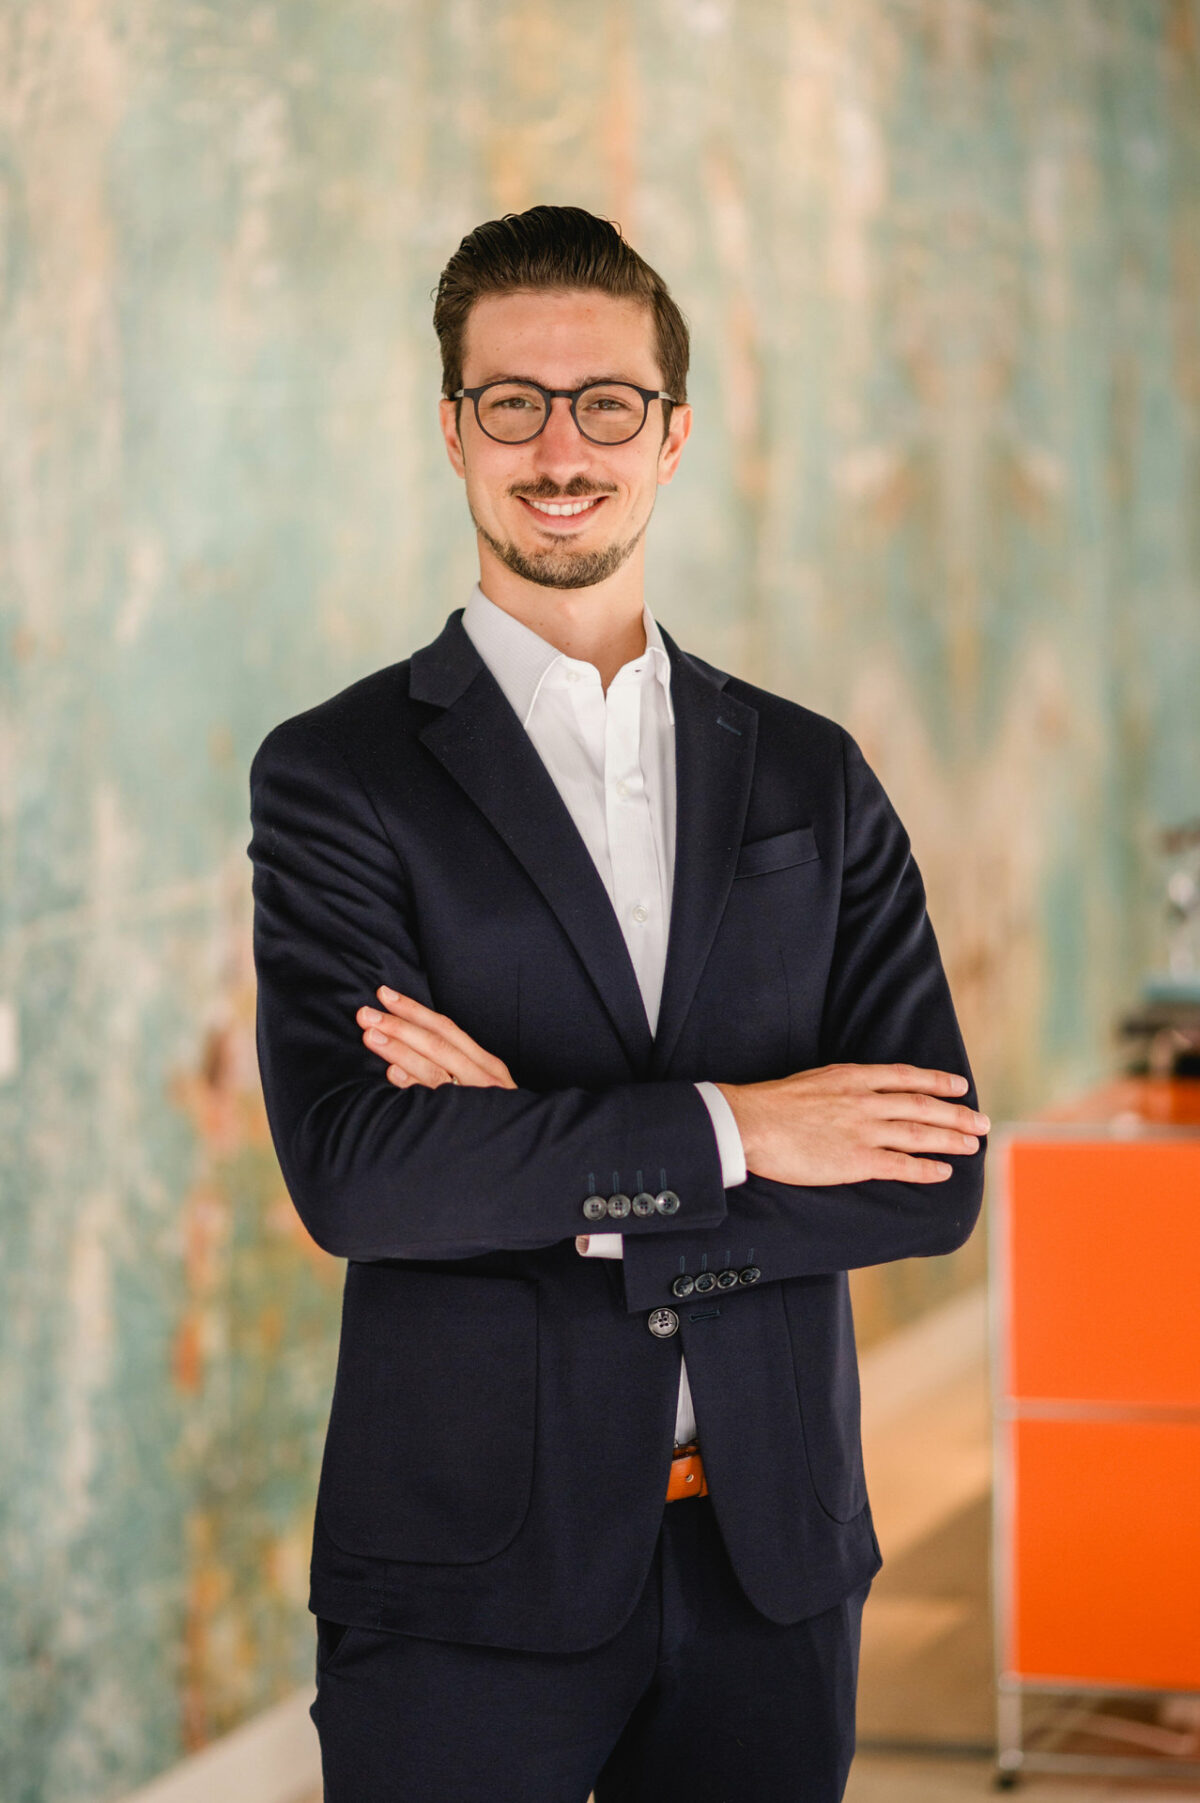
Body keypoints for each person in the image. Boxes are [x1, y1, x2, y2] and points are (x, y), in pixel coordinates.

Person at [247, 204, 989, 1803]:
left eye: (607, 404)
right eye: (511, 402)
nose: (559, 446)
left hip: (773, 1556)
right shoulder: (340, 775)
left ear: (674, 435)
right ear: (453, 429)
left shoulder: (810, 775)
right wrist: (747, 1128)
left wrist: (541, 1165)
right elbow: (360, 1172)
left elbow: (933, 1177)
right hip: (466, 1577)